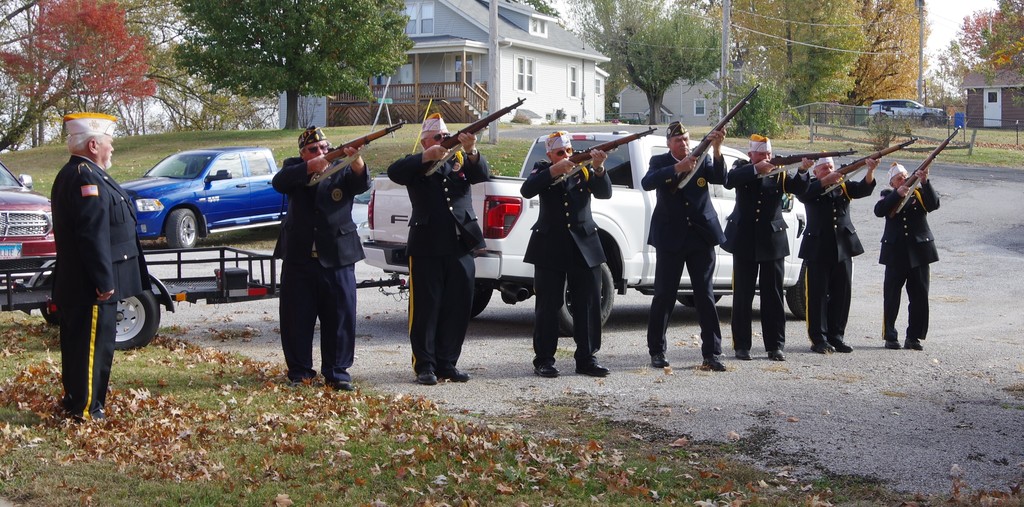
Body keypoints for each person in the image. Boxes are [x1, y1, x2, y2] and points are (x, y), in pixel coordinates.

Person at [51, 112, 150, 421]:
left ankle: (77, 401)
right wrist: (104, 280)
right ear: (93, 145)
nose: (112, 148)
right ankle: (86, 410)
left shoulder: (83, 173)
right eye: (110, 142)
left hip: (82, 281)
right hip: (90, 285)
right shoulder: (85, 177)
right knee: (93, 348)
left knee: (81, 346)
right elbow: (91, 234)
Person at [387, 113, 489, 385]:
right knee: (425, 309)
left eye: (446, 135)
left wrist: (471, 149)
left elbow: (482, 175)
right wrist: (426, 156)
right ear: (425, 142)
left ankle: (447, 362)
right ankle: (425, 365)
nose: (444, 139)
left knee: (458, 307)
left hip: (461, 243)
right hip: (427, 244)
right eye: (438, 137)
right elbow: (395, 172)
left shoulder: (461, 159)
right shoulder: (416, 163)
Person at [272, 126, 369, 391]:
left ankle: (337, 372)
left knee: (340, 317)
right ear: (302, 153)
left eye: (324, 147)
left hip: (337, 255)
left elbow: (361, 184)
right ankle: (300, 372)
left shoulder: (342, 166)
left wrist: (356, 159)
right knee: (296, 318)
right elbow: (280, 182)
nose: (321, 152)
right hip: (299, 257)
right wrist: (310, 167)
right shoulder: (294, 168)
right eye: (313, 149)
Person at [521, 132, 612, 378]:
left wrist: (599, 168)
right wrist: (554, 170)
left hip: (584, 243)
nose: (566, 155)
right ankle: (544, 359)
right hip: (550, 244)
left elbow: (604, 193)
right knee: (548, 305)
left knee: (589, 304)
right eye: (560, 152)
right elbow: (527, 190)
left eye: (569, 151)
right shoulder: (543, 170)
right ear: (550, 155)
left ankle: (587, 358)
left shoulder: (584, 169)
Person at [641, 122, 728, 372]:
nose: (684, 143)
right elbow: (648, 182)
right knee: (664, 295)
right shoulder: (660, 162)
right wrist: (677, 168)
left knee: (705, 296)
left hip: (700, 236)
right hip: (670, 236)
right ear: (669, 143)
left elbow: (721, 178)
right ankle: (657, 351)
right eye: (678, 140)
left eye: (686, 139)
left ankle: (712, 353)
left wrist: (717, 148)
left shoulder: (703, 158)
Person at [722, 135, 812, 361]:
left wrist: (803, 170)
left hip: (772, 240)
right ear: (751, 154)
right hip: (745, 238)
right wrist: (756, 169)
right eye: (761, 154)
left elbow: (798, 188)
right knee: (743, 295)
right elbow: (729, 180)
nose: (766, 157)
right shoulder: (742, 167)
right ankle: (742, 345)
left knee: (773, 295)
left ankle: (775, 345)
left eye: (768, 154)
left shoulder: (779, 171)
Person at [797, 155, 878, 354]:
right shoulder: (811, 186)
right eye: (824, 168)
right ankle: (819, 338)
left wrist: (870, 170)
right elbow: (803, 195)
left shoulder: (843, 185)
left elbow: (863, 189)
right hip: (818, 246)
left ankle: (837, 336)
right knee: (817, 295)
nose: (829, 170)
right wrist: (826, 180)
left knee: (842, 293)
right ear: (816, 172)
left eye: (831, 167)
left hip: (843, 245)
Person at [873, 162, 939, 351]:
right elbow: (879, 211)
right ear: (892, 183)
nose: (903, 180)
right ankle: (890, 336)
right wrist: (897, 194)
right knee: (892, 297)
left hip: (919, 251)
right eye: (898, 178)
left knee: (920, 296)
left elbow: (934, 204)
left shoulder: (919, 192)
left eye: (904, 176)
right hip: (896, 252)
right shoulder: (888, 194)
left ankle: (914, 337)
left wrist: (925, 181)